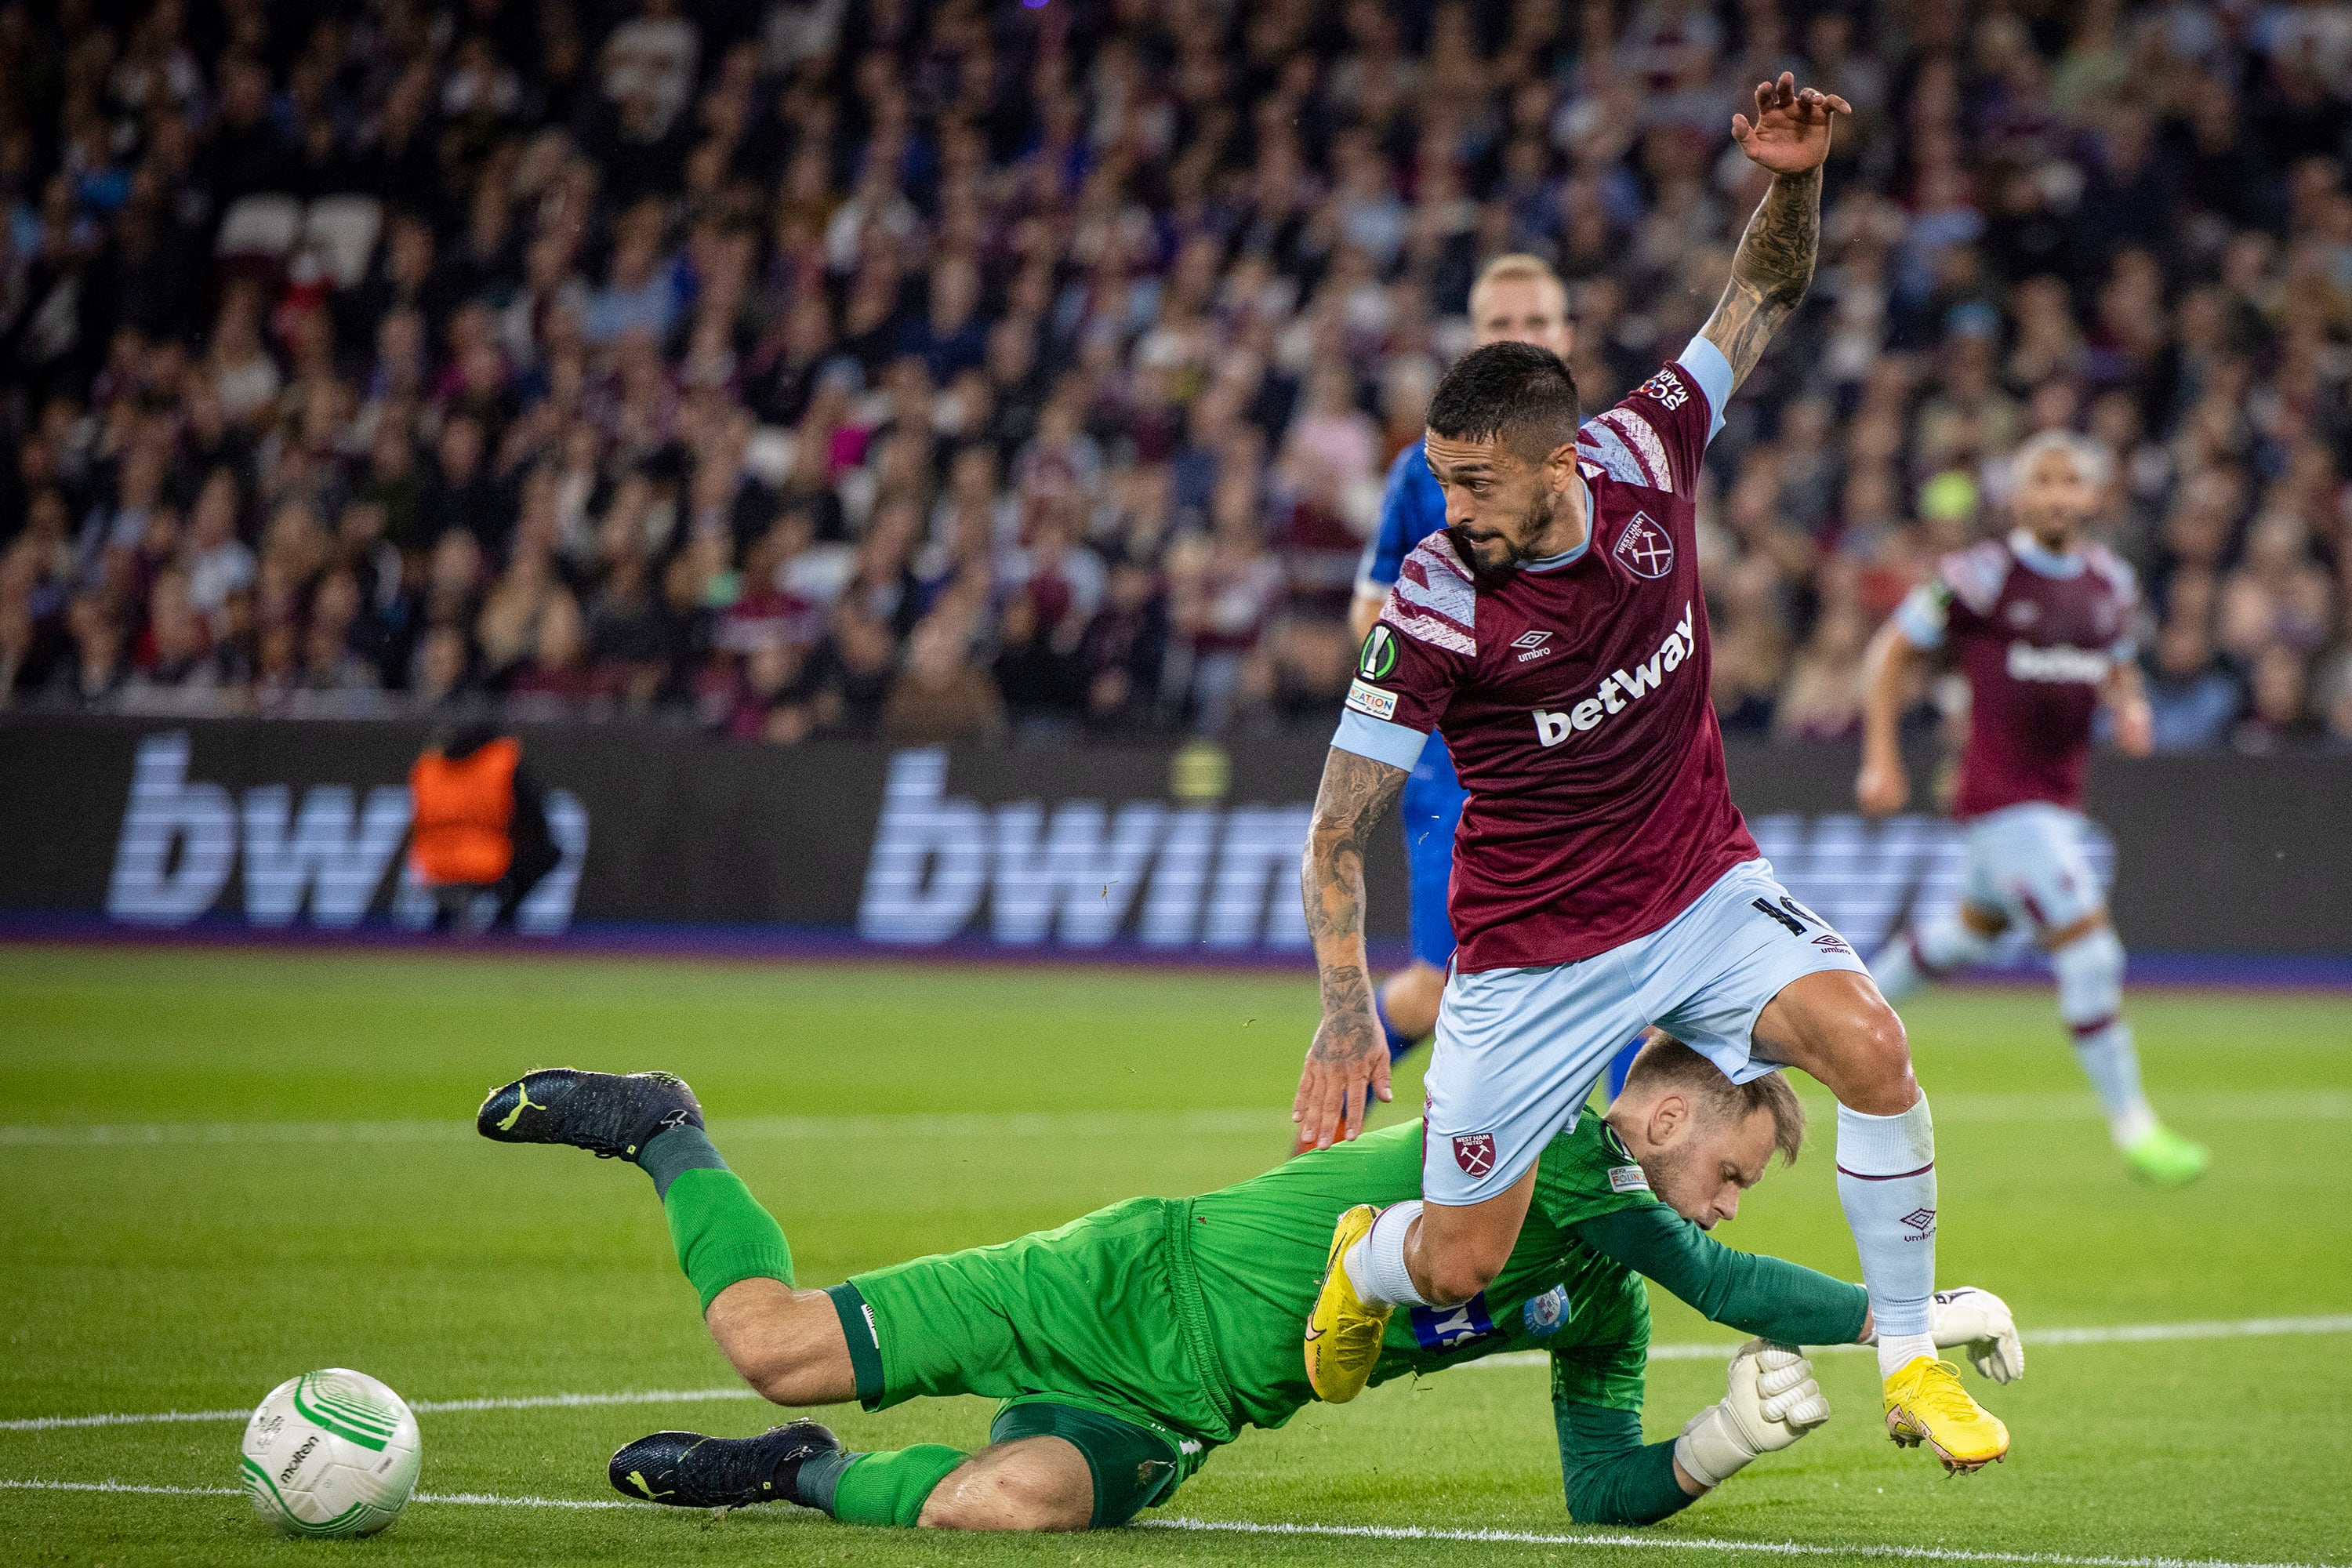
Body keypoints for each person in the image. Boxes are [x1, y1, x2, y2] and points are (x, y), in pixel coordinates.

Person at [1291, 75, 2009, 1473]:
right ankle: (1369, 1260)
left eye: (1478, 485)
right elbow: (1334, 833)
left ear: (1562, 461)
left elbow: (1762, 296)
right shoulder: (1436, 604)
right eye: (1440, 482)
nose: (1454, 513)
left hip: (1699, 890)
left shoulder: (1647, 445)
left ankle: (1912, 1357)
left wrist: (1794, 179)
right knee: (1459, 1266)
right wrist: (1340, 1013)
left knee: (1873, 1048)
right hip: (1532, 959)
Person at [474, 1040, 2023, 1531]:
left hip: (1188, 1405)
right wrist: (1911, 1309)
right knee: (769, 1339)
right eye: (1735, 1161)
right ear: (1671, 1115)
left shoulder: (1601, 1285)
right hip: (1122, 1275)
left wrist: (1716, 1447)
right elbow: (1717, 1263)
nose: (1728, 1193)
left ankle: (801, 1481)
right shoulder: (1553, 1144)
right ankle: (670, 1127)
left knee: (993, 1508)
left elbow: (1601, 1488)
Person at [1857, 431, 2208, 1187]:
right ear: (2017, 496)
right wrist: (1880, 756)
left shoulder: (2111, 582)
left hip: (2056, 801)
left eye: (2070, 482)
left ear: (2092, 497)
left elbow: (2115, 662)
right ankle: (2135, 1128)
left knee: (1966, 939)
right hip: (2002, 801)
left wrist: (2133, 705)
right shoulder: (1981, 576)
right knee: (2092, 949)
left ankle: (1851, 1012)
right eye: (2042, 482)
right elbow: (1891, 650)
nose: (2056, 496)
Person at [406, 722, 561, 931]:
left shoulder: (428, 767)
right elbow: (535, 813)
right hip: (483, 861)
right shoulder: (499, 764)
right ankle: (503, 923)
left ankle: (442, 924)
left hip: (430, 863)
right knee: (546, 852)